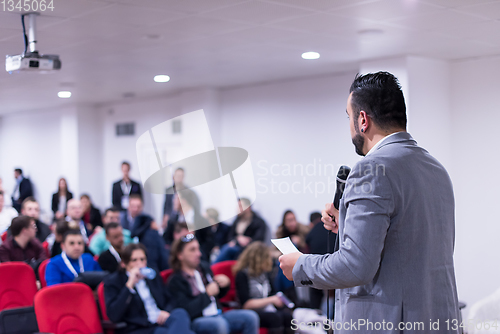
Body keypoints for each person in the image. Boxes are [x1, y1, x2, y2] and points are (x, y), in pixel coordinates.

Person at [279, 72, 460, 333]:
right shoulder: (436, 169)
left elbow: (355, 266)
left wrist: (301, 265)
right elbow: (408, 244)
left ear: (362, 119)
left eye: (348, 116)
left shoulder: (371, 169)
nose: (349, 126)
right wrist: (349, 225)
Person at [168, 234, 259, 334]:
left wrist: (224, 285)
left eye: (198, 249)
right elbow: (186, 311)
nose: (198, 254)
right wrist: (207, 294)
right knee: (220, 325)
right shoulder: (176, 280)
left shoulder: (203, 268)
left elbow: (217, 296)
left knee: (251, 317)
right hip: (197, 319)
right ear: (180, 255)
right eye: (192, 250)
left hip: (218, 313)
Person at [104, 243, 196, 334]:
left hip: (160, 320)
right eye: (134, 260)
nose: (139, 264)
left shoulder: (152, 275)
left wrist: (166, 312)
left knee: (180, 313)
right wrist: (129, 285)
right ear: (124, 263)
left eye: (142, 259)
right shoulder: (114, 282)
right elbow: (114, 315)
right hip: (140, 327)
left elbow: (170, 298)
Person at [234, 242, 293, 334]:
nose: (270, 261)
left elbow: (273, 293)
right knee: (275, 318)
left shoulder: (265, 273)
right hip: (252, 311)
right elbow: (246, 304)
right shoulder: (242, 275)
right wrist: (271, 300)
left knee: (287, 316)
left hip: (267, 308)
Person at [163, 189, 214, 262]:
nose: (173, 201)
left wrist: (196, 252)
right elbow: (166, 239)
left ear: (183, 201)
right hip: (176, 259)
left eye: (176, 199)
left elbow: (209, 242)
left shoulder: (201, 221)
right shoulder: (173, 220)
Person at [214, 198, 268, 263]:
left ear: (248, 207)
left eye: (240, 206)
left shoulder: (258, 222)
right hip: (235, 247)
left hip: (248, 250)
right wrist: (238, 239)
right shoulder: (237, 220)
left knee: (227, 249)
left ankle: (211, 268)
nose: (238, 209)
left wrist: (245, 241)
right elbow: (230, 236)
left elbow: (259, 240)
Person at [305, 212, 336, 312]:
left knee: (314, 289)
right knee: (334, 294)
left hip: (317, 269)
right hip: (335, 267)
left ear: (311, 224)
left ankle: (315, 315)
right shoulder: (334, 228)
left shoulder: (311, 232)